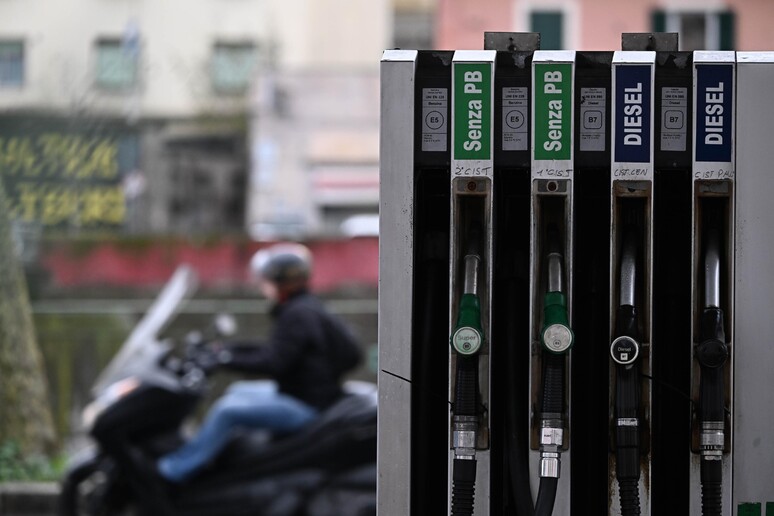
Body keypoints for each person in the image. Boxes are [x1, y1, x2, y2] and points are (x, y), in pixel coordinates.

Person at [157, 242, 363, 483]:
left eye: (267, 280)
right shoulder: (305, 307)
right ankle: (233, 457)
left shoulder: (297, 315)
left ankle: (173, 472)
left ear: (282, 282)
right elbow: (273, 349)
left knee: (226, 412)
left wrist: (224, 359)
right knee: (236, 391)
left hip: (305, 406)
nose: (263, 285)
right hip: (305, 395)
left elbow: (272, 362)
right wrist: (225, 350)